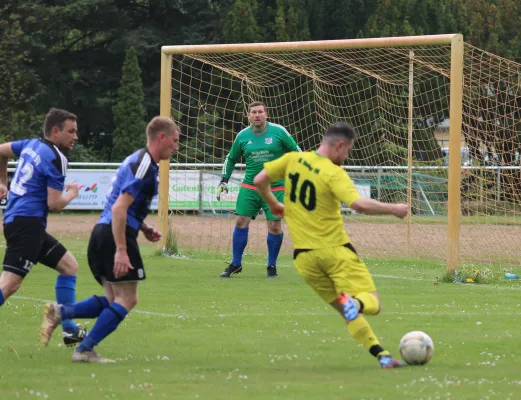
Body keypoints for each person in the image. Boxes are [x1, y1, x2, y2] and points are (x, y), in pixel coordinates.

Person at [253, 121, 408, 369]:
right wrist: (394, 209)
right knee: (372, 303)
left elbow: (260, 179)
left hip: (304, 259)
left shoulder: (293, 159)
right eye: (347, 151)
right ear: (339, 145)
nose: (345, 158)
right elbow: (357, 204)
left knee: (345, 311)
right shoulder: (333, 173)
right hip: (335, 251)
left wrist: (273, 203)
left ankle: (383, 356)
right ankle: (355, 302)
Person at [40, 116, 180, 363]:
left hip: (102, 233)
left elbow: (120, 204)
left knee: (114, 299)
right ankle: (84, 349)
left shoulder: (137, 159)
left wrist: (144, 227)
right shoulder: (144, 165)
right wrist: (122, 250)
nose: (176, 147)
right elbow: (118, 209)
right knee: (128, 299)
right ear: (162, 137)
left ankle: (61, 312)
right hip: (115, 235)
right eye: (175, 140)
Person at [0, 108, 86, 346]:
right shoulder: (56, 157)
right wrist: (72, 193)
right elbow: (55, 203)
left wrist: (1, 182)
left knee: (69, 266)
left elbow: (0, 151)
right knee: (9, 284)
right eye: (71, 131)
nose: (75, 137)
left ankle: (69, 329)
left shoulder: (29, 145)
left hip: (22, 223)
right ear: (56, 131)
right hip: (27, 225)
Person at [217, 101, 301, 278]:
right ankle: (236, 263)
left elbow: (296, 151)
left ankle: (271, 266)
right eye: (253, 112)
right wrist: (224, 180)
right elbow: (230, 158)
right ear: (248, 116)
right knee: (241, 221)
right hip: (250, 187)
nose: (257, 115)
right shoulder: (242, 136)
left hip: (276, 187)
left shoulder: (279, 131)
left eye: (260, 112)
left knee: (275, 226)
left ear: (266, 114)